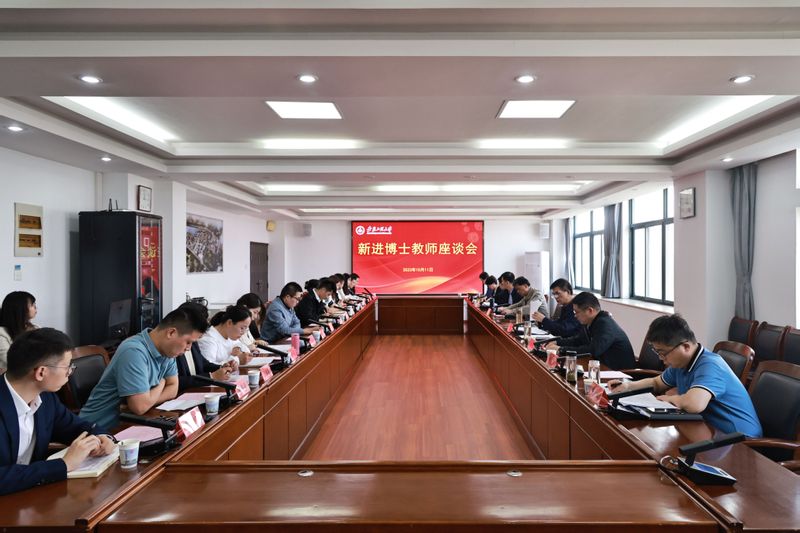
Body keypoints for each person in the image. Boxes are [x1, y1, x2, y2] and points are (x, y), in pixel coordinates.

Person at [0, 328, 115, 495]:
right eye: (67, 367)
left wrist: (102, 437)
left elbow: (77, 427)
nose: (70, 372)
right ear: (41, 372)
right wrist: (64, 464)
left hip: (32, 494)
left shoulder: (46, 399)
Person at [609, 314, 763, 437]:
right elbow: (657, 383)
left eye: (663, 353)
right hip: (709, 431)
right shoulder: (681, 363)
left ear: (686, 346)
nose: (661, 359)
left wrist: (670, 399)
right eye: (658, 353)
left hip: (739, 439)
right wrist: (628, 385)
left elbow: (694, 404)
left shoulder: (710, 365)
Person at [79, 306, 208, 431]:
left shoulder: (168, 352)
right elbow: (139, 407)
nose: (189, 348)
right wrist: (161, 384)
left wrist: (149, 399)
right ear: (171, 333)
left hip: (133, 424)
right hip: (97, 431)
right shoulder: (133, 351)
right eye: (188, 342)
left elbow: (173, 388)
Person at [546, 292, 635, 370]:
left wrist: (561, 349)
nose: (575, 316)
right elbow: (577, 340)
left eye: (577, 312)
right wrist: (557, 342)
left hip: (619, 374)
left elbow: (592, 350)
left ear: (590, 310)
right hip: (602, 366)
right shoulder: (592, 322)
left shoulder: (604, 324)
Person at [174, 302, 233, 393]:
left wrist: (221, 368)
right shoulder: (174, 346)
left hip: (197, 391)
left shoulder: (193, 341)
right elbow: (177, 382)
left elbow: (203, 363)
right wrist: (211, 377)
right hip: (182, 394)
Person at [0, 291, 38, 374]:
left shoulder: (36, 328)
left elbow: (48, 351)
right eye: (32, 305)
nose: (36, 307)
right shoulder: (2, 333)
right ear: (20, 308)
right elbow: (11, 361)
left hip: (34, 372)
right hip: (15, 376)